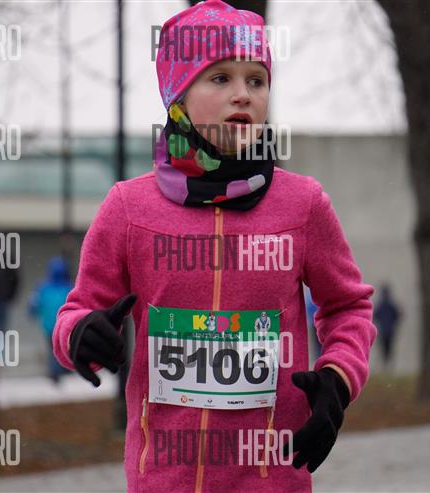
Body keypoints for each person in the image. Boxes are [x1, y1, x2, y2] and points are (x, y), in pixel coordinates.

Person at [52, 1, 377, 491]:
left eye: (256, 80)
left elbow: (348, 306)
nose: (243, 94)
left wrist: (337, 377)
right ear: (178, 95)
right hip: (163, 481)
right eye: (220, 78)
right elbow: (78, 310)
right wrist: (79, 334)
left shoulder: (303, 205)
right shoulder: (128, 209)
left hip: (271, 479)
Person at [29, 256, 72, 383]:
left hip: (48, 325)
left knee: (52, 348)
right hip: (64, 324)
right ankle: (61, 368)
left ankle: (55, 371)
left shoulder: (43, 288)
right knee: (61, 346)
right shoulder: (68, 288)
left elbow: (34, 304)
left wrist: (33, 313)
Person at [373, 284, 400, 369]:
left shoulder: (381, 305)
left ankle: (385, 364)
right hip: (390, 331)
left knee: (384, 349)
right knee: (388, 349)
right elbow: (398, 315)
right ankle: (387, 364)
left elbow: (375, 316)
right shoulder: (392, 305)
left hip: (384, 331)